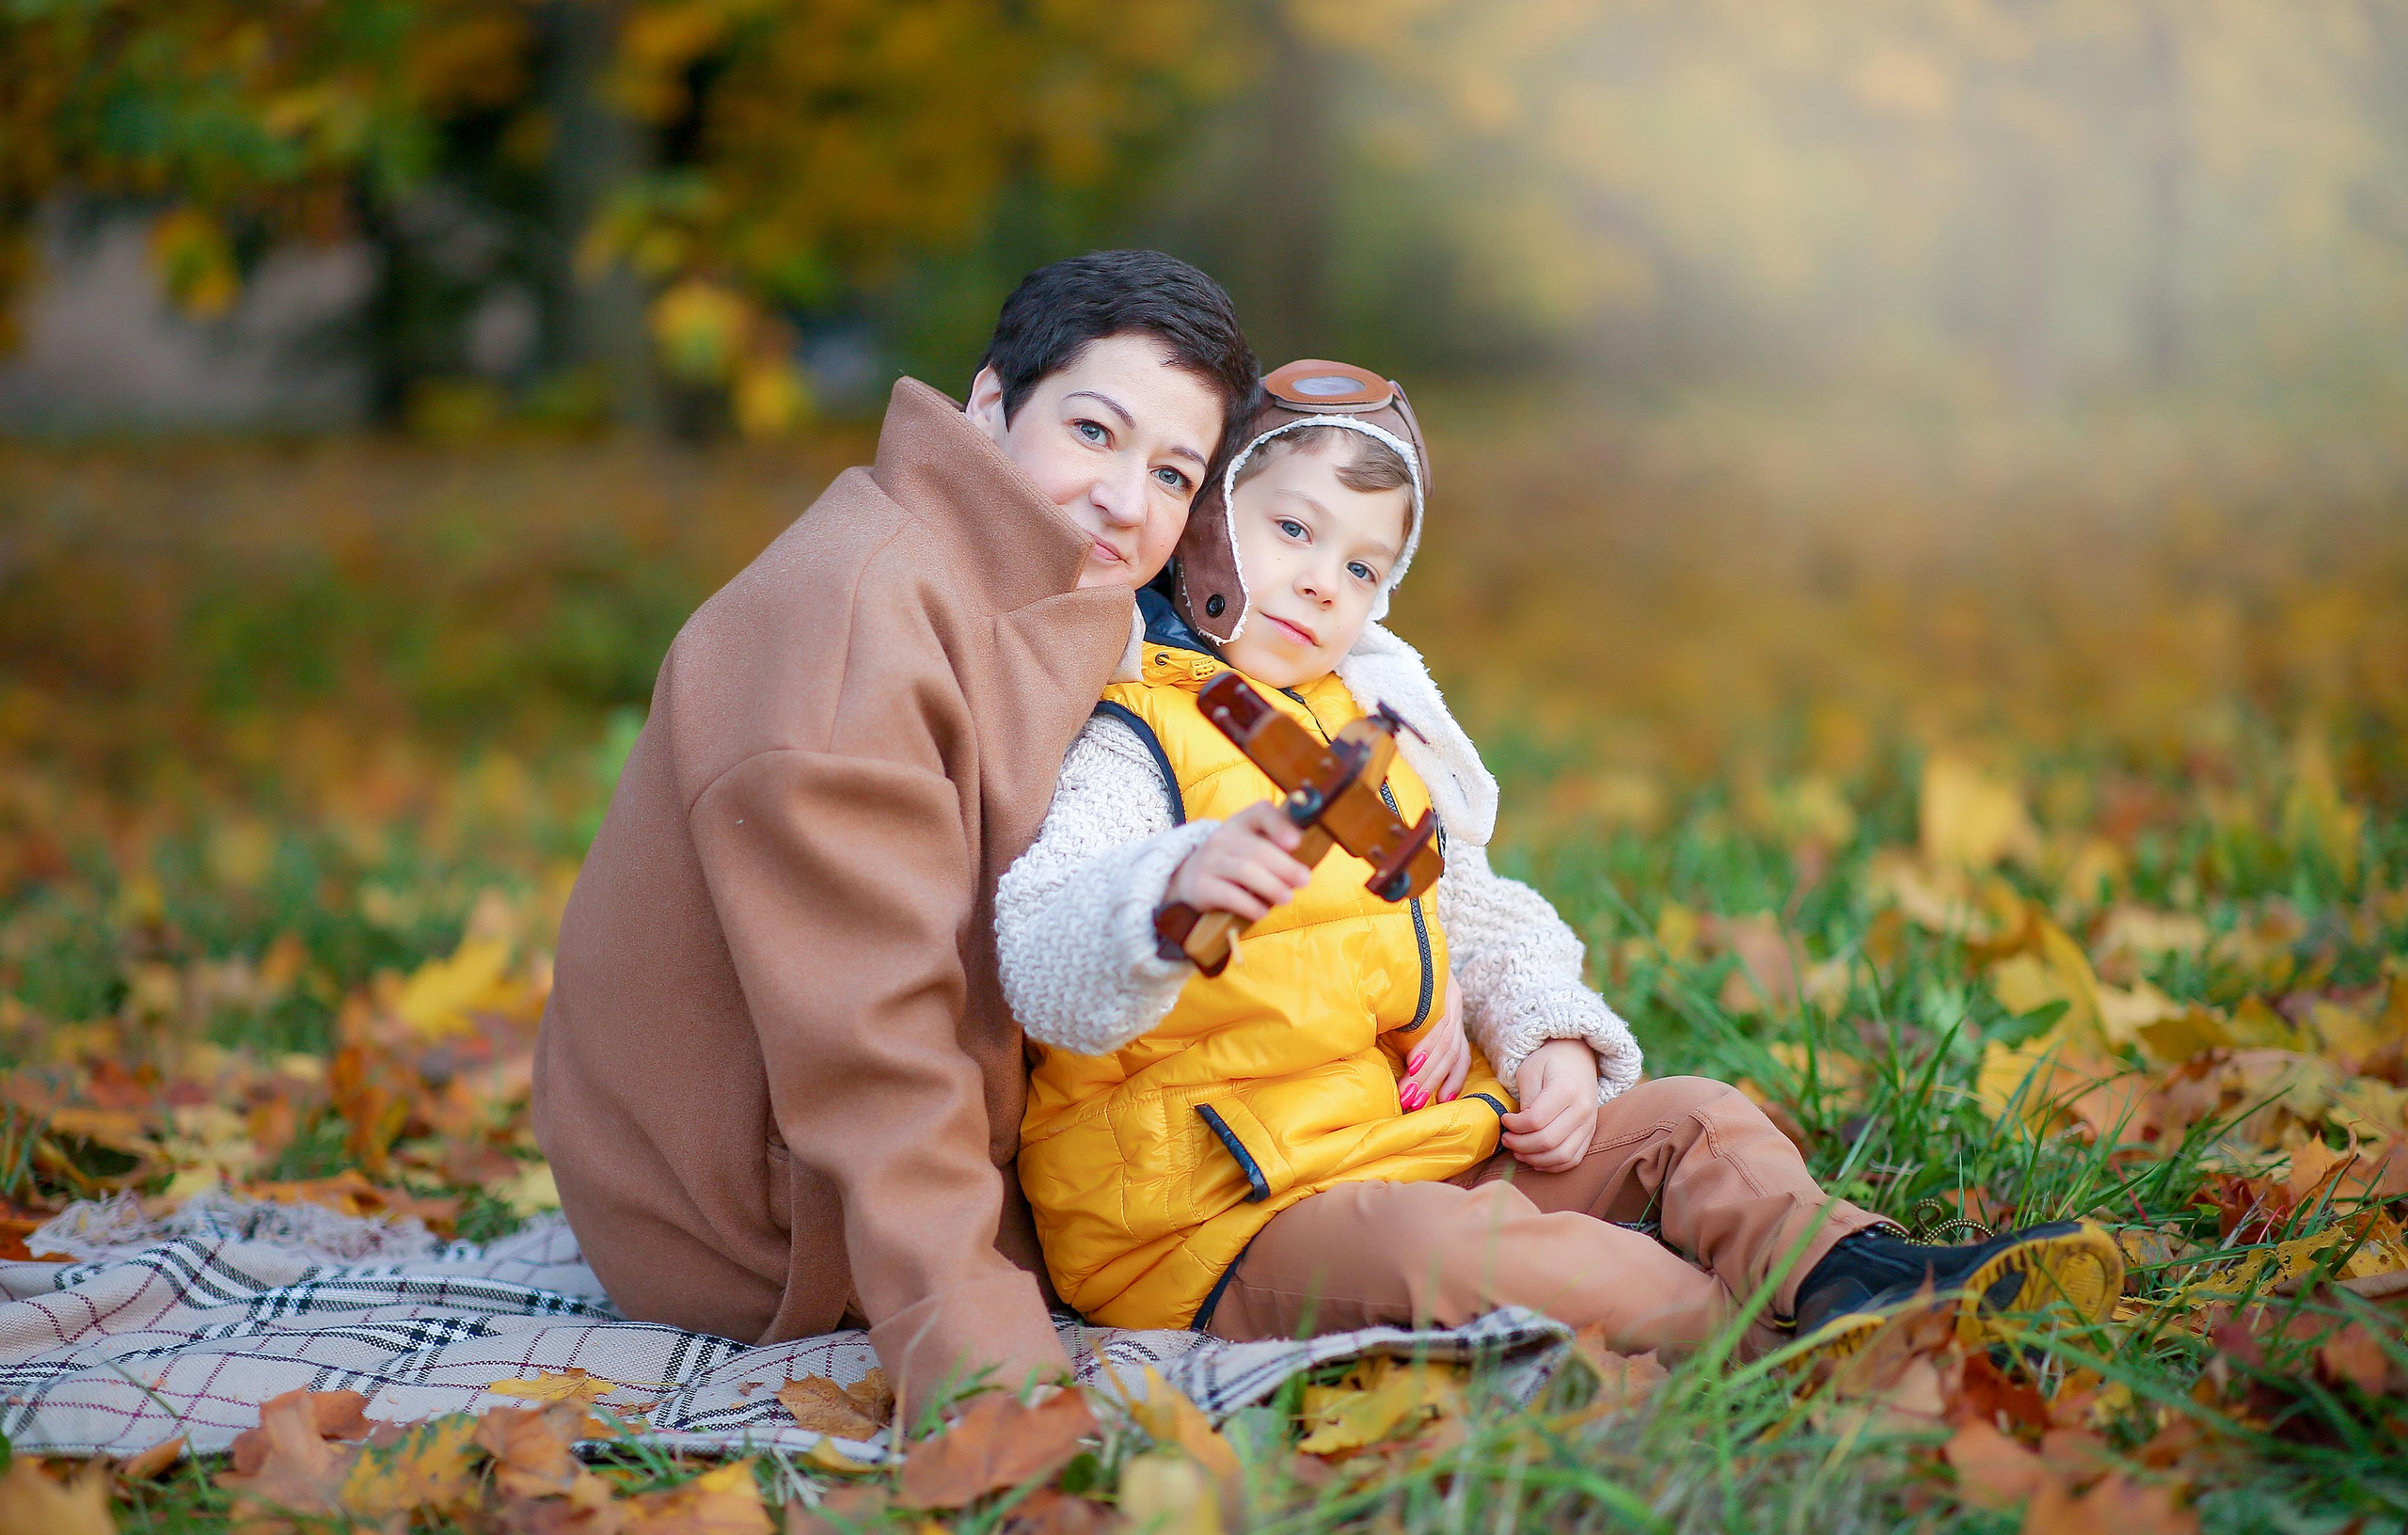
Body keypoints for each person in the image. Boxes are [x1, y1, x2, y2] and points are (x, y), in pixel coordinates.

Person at [1001, 359, 2124, 1356]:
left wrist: (1549, 1036)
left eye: (1360, 567)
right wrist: (1169, 889)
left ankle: (1853, 1271)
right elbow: (1041, 946)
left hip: (1395, 1141)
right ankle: (1791, 1349)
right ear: (1203, 523)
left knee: (1696, 1119)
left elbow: (1470, 908)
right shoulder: (1132, 733)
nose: (1318, 584)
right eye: (1290, 531)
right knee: (1471, 1250)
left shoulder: (1365, 731)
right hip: (1210, 1216)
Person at [532, 251, 1259, 1404]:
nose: (1127, 498)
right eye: (1093, 432)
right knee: (1288, 1227)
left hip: (1003, 1136)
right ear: (986, 404)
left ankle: (1628, 1163)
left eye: (1174, 474)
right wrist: (985, 1381)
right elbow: (869, 1038)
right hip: (770, 1227)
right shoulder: (855, 614)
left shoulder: (1070, 608)